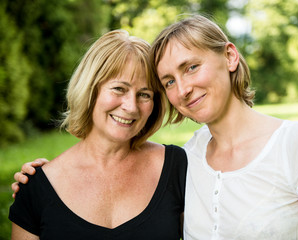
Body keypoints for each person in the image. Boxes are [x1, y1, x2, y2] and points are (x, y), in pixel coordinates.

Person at [12, 15, 298, 239]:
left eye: (191, 67)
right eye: (169, 81)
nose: (183, 89)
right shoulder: (191, 158)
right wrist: (41, 182)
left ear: (231, 57)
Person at [8, 29, 187, 240]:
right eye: (119, 88)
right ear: (90, 90)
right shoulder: (37, 186)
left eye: (144, 94)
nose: (131, 107)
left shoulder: (177, 167)